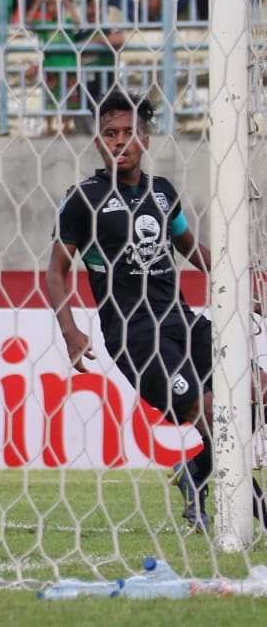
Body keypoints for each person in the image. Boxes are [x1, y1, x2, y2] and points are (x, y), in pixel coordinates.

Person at [46, 91, 267, 533]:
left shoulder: (162, 194)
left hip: (182, 321)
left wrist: (239, 287)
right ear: (98, 141)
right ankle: (255, 506)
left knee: (258, 391)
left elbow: (189, 248)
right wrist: (70, 329)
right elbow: (56, 271)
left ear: (146, 139)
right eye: (111, 134)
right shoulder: (83, 200)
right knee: (207, 408)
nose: (121, 142)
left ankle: (197, 472)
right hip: (135, 335)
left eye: (130, 133)